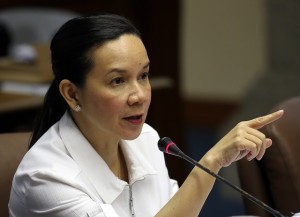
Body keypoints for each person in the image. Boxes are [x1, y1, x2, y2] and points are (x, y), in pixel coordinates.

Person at [8, 12, 284, 217]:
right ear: (72, 94)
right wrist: (210, 163)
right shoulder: (46, 178)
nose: (140, 95)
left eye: (144, 75)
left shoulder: (146, 140)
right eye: (118, 81)